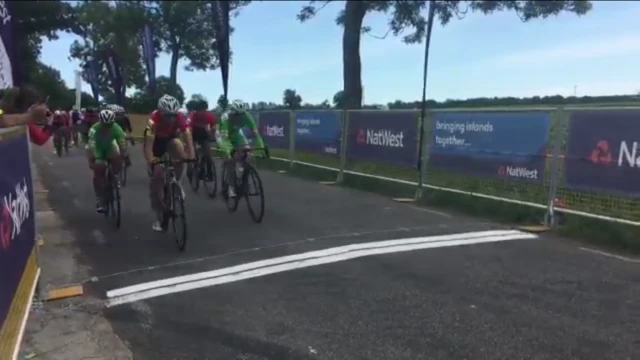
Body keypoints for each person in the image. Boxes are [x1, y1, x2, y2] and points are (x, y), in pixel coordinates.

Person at [144, 94, 195, 231]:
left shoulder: (178, 117)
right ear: (160, 113)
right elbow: (148, 147)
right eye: (167, 116)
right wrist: (152, 161)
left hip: (170, 140)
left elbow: (187, 135)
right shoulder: (153, 121)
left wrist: (191, 155)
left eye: (173, 115)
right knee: (156, 180)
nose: (171, 119)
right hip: (156, 144)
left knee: (179, 146)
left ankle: (177, 182)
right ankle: (158, 215)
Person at [216, 99, 266, 198]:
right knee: (231, 159)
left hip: (236, 134)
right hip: (223, 135)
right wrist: (229, 151)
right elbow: (225, 139)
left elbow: (256, 134)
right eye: (237, 115)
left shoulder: (246, 115)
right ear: (232, 112)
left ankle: (244, 177)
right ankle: (230, 187)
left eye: (242, 114)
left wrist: (261, 147)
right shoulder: (226, 117)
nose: (240, 117)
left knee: (248, 153)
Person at [87, 109, 127, 213]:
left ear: (113, 122)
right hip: (99, 149)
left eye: (109, 125)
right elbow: (91, 147)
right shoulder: (94, 129)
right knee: (98, 169)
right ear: (100, 122)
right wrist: (91, 161)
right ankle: (100, 197)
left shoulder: (117, 129)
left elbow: (122, 146)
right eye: (104, 124)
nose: (106, 127)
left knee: (117, 157)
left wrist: (123, 157)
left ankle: (115, 176)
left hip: (110, 147)